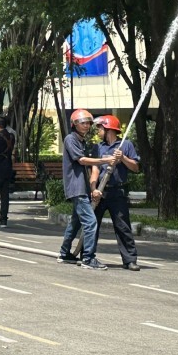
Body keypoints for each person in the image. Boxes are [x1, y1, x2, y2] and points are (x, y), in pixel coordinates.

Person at [57, 108, 118, 270]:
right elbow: (82, 160)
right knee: (91, 222)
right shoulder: (70, 139)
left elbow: (88, 167)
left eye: (88, 123)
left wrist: (92, 187)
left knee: (76, 222)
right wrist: (104, 160)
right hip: (76, 187)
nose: (86, 126)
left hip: (82, 187)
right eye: (83, 123)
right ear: (74, 124)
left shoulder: (82, 141)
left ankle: (64, 253)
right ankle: (88, 258)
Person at [91, 115, 141, 271]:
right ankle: (87, 256)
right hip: (100, 191)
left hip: (117, 192)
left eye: (100, 128)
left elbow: (135, 168)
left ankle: (130, 260)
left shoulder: (126, 145)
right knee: (92, 225)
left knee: (122, 226)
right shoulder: (98, 147)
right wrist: (94, 190)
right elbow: (94, 170)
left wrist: (123, 158)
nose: (98, 131)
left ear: (108, 129)